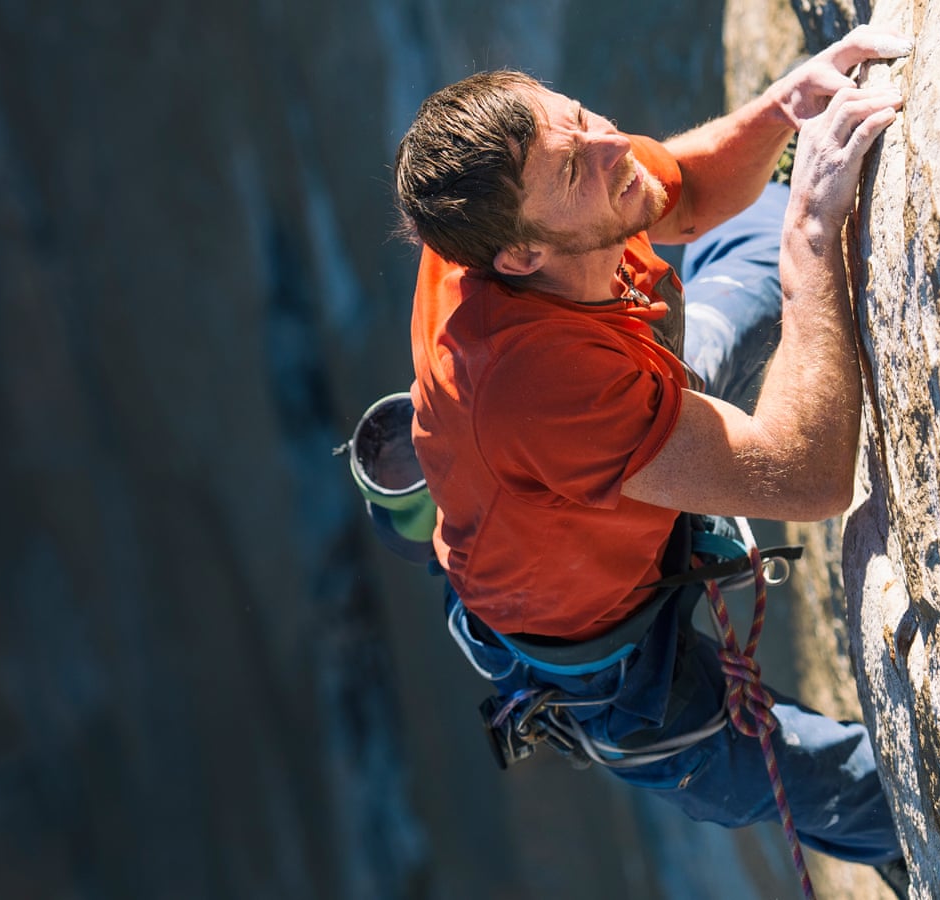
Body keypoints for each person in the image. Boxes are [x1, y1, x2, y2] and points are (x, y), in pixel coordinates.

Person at [391, 23, 913, 894]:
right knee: (814, 779)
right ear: (521, 258)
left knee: (750, 235)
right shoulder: (530, 384)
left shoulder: (562, 184)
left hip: (623, 407)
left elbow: (692, 189)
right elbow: (807, 475)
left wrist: (788, 104)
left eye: (584, 117)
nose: (609, 145)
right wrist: (814, 238)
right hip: (599, 646)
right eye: (574, 164)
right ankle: (903, 835)